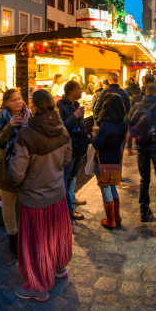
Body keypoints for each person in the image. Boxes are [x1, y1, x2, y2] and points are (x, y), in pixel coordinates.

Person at [7, 89, 73, 301]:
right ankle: (58, 267)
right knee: (56, 235)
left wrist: (17, 183)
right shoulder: (62, 129)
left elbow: (16, 172)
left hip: (35, 198)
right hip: (58, 195)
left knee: (36, 243)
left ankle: (38, 286)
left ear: (35, 108)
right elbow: (67, 157)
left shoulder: (27, 134)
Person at [0, 88, 31, 257]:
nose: (18, 102)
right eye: (13, 100)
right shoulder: (2, 117)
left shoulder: (30, 114)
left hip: (27, 168)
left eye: (19, 98)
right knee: (8, 205)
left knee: (26, 204)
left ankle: (26, 235)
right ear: (6, 103)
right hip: (7, 167)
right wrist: (8, 127)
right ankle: (13, 237)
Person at [128, 84, 156, 224]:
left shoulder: (135, 107)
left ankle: (143, 210)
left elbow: (131, 126)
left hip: (141, 148)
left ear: (144, 92)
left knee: (144, 179)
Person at [91, 94, 127, 229]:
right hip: (116, 160)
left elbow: (97, 145)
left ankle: (110, 220)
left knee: (105, 189)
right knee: (112, 187)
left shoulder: (106, 124)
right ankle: (117, 217)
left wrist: (94, 137)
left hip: (104, 161)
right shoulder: (123, 121)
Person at [55, 81, 89, 220]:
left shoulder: (75, 104)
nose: (81, 91)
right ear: (72, 91)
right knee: (66, 177)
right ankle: (68, 208)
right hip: (69, 148)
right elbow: (60, 127)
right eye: (79, 89)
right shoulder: (60, 106)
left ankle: (72, 197)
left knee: (73, 175)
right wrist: (74, 116)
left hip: (80, 146)